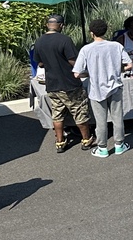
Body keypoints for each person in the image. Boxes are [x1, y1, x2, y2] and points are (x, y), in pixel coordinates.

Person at [34, 12, 94, 153]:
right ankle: (86, 139)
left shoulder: (39, 41)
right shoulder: (64, 40)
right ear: (61, 25)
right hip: (69, 84)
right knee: (79, 112)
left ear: (47, 25)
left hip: (52, 85)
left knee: (57, 114)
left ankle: (60, 142)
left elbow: (40, 63)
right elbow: (73, 62)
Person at [72, 19, 133, 158]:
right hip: (115, 86)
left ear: (91, 33)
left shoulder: (86, 49)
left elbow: (76, 73)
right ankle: (119, 145)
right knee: (117, 118)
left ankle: (102, 148)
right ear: (106, 31)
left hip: (96, 90)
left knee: (101, 121)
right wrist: (118, 70)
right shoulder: (116, 46)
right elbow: (129, 65)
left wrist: (89, 73)